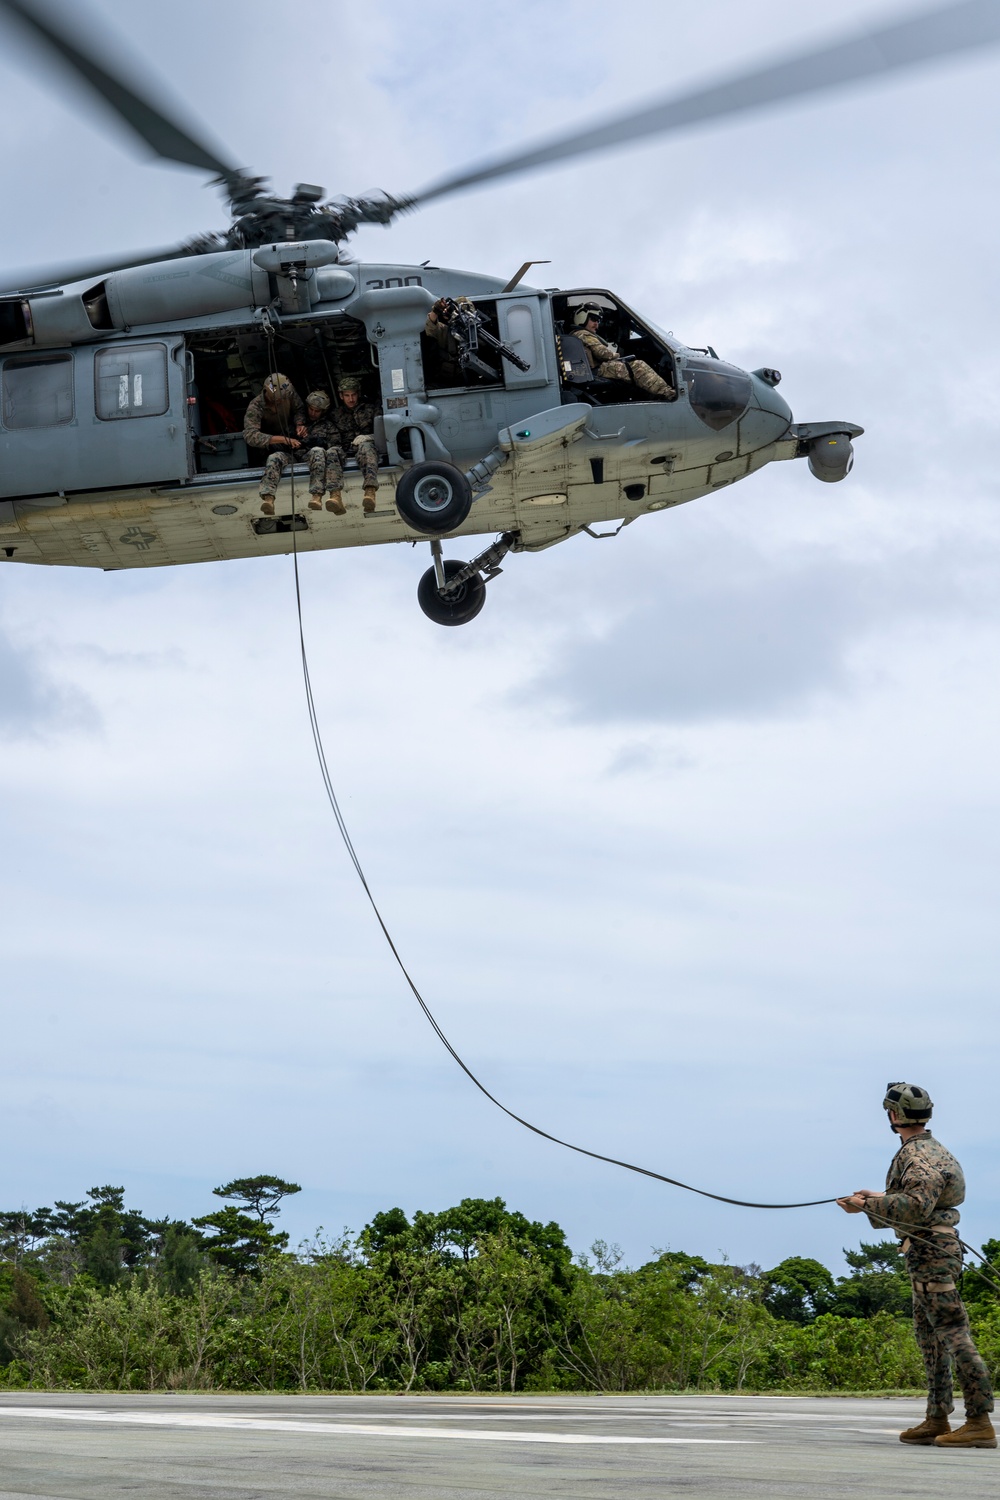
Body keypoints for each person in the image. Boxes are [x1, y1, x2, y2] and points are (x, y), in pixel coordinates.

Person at [838, 1083, 995, 1449]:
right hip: (932, 1249)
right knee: (930, 1338)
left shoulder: (916, 1157)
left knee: (954, 1334)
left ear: (894, 1116)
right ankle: (937, 1416)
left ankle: (979, 1421)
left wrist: (862, 1206)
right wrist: (878, 1197)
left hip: (930, 1253)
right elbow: (923, 1199)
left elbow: (914, 1207)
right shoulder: (934, 1151)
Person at [569, 303, 674, 400]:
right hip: (597, 371)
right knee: (637, 366)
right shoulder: (583, 334)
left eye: (598, 321)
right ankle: (669, 394)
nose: (596, 324)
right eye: (593, 319)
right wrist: (617, 356)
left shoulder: (577, 335)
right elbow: (603, 354)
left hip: (595, 370)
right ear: (582, 317)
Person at [243, 374, 307, 514]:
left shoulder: (287, 391)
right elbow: (250, 436)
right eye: (278, 398)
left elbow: (299, 409)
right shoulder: (256, 406)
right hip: (271, 448)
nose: (282, 400)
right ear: (267, 391)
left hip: (293, 440)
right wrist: (281, 439)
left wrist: (299, 424)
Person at [329, 377, 379, 514]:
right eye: (347, 395)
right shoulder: (335, 414)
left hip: (366, 447)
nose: (351, 399)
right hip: (344, 449)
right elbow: (332, 436)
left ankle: (370, 492)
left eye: (353, 395)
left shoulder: (370, 409)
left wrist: (369, 438)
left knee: (366, 447)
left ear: (358, 394)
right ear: (341, 396)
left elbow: (384, 432)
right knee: (332, 451)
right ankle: (335, 496)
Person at [302, 390, 342, 512]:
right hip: (303, 459)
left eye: (317, 411)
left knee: (320, 451)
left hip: (322, 460)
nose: (313, 413)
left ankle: (322, 496)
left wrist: (323, 443)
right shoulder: (298, 423)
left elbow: (336, 444)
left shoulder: (328, 426)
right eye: (311, 409)